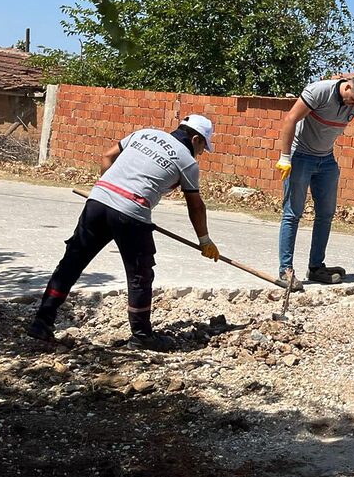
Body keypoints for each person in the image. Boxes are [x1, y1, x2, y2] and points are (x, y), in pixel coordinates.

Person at [26, 114, 220, 350]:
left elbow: (107, 156)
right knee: (140, 274)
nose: (200, 153)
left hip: (97, 201)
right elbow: (195, 205)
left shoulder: (144, 133)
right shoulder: (187, 161)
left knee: (72, 262)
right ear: (196, 138)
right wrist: (205, 240)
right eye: (202, 148)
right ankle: (141, 335)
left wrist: (110, 193)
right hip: (132, 212)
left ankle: (41, 322)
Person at [275, 75, 354, 286]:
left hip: (326, 160)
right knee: (293, 213)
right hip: (300, 156)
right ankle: (285, 271)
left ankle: (316, 268)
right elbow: (291, 119)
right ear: (347, 86)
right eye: (353, 99)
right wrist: (285, 158)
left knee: (326, 214)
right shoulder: (319, 91)